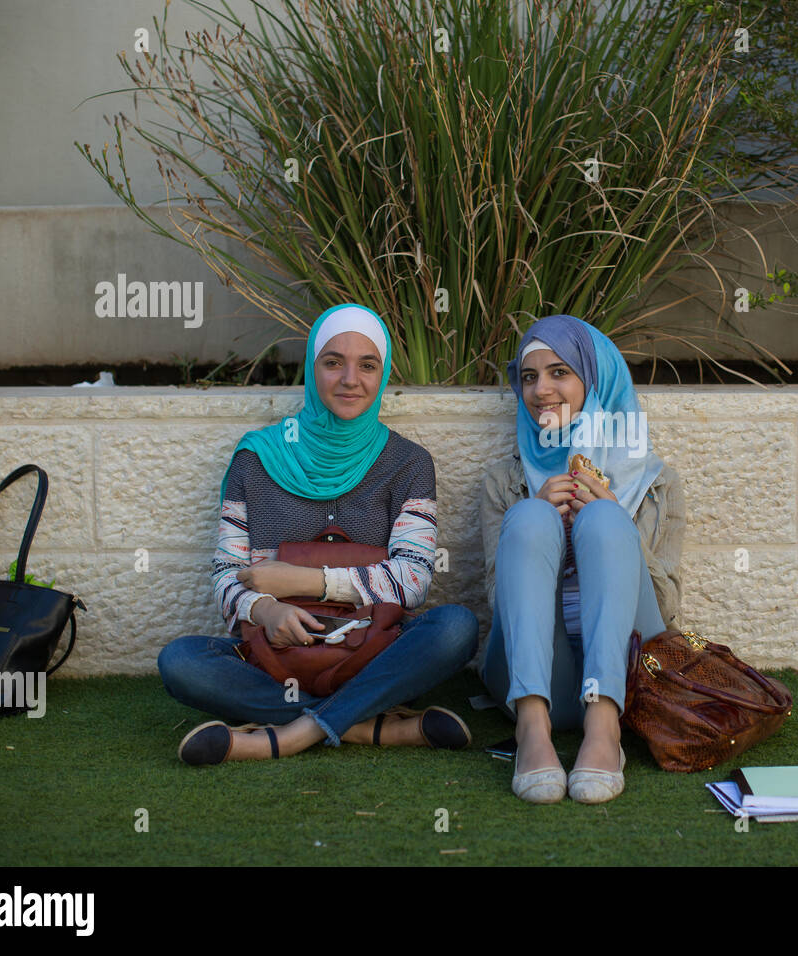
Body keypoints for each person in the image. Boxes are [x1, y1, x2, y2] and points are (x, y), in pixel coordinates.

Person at [158, 304, 479, 765]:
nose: (351, 378)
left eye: (367, 365)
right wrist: (265, 609)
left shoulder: (408, 463)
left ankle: (291, 734)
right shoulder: (257, 458)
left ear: (383, 373)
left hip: (373, 649)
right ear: (312, 368)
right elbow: (228, 575)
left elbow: (414, 580)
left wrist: (306, 583)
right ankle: (371, 724)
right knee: (180, 662)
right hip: (276, 659)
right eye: (333, 362)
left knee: (454, 629)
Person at [478, 315, 685, 804]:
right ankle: (532, 731)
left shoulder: (657, 484)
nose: (541, 390)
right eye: (529, 377)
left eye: (559, 373)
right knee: (530, 517)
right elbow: (495, 601)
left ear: (595, 379)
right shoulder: (502, 482)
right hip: (539, 678)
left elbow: (666, 605)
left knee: (606, 521)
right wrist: (538, 519)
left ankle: (604, 731)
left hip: (629, 676)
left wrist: (615, 523)